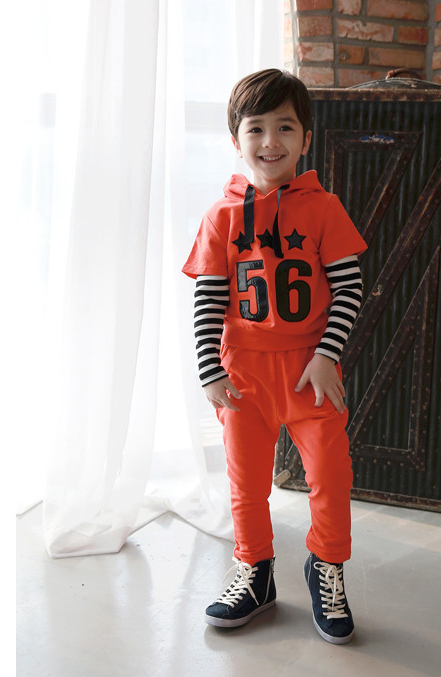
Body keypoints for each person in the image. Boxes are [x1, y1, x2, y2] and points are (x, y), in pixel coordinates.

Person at [182, 68, 367, 645]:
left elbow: (349, 287)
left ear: (305, 138)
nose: (270, 141)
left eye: (285, 127)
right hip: (245, 371)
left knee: (330, 477)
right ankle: (255, 571)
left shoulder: (324, 208)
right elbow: (209, 298)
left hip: (312, 369)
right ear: (236, 140)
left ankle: (326, 566)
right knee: (246, 483)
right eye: (256, 128)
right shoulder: (221, 216)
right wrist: (210, 369)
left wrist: (327, 354)